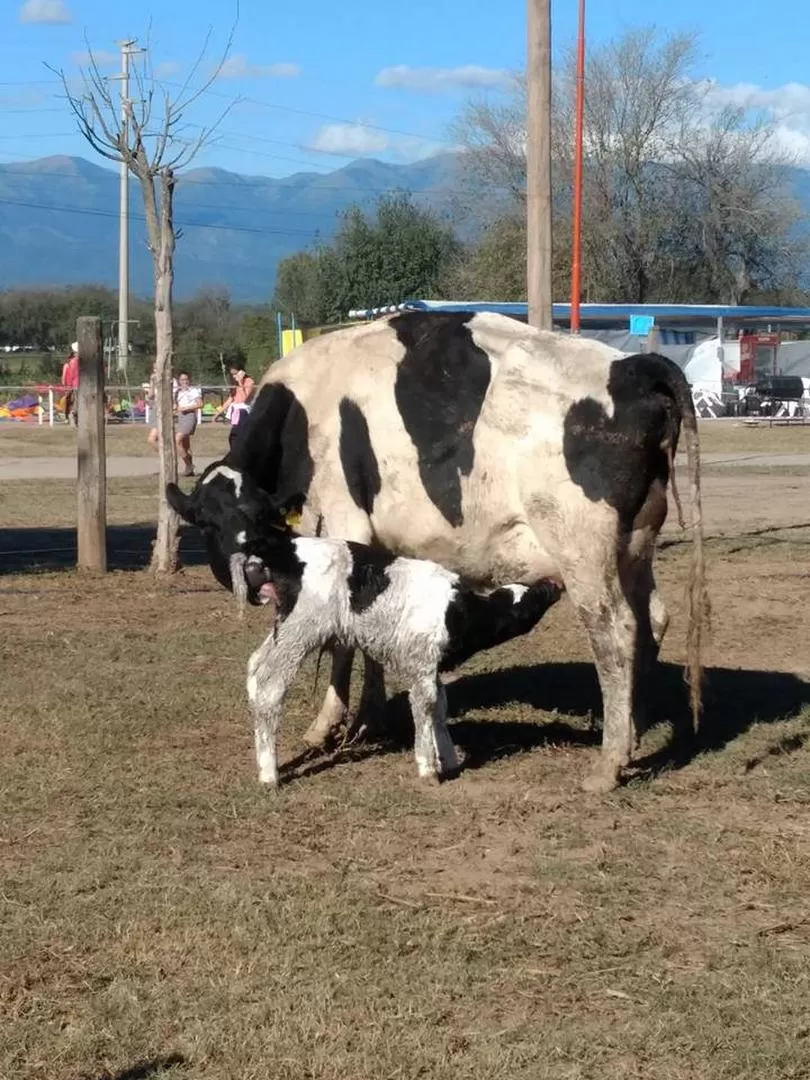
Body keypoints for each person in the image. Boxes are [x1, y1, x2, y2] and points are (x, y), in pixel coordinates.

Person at [214, 365, 256, 449]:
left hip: (244, 411)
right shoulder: (234, 384)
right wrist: (217, 414)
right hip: (235, 412)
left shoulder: (249, 382)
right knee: (234, 438)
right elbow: (230, 399)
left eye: (236, 374)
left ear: (242, 372)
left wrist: (240, 382)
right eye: (232, 374)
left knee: (236, 436)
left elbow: (245, 398)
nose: (234, 376)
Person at [173, 371, 203, 477]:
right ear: (179, 381)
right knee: (185, 445)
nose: (184, 381)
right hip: (181, 417)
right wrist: (175, 409)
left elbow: (200, 404)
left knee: (177, 439)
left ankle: (189, 464)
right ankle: (189, 471)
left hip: (190, 416)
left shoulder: (193, 391)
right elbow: (176, 406)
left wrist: (186, 408)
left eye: (186, 379)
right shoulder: (177, 392)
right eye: (182, 380)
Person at [61, 342, 79, 426]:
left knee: (73, 402)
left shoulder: (71, 362)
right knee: (73, 402)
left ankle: (72, 417)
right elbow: (67, 375)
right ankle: (70, 416)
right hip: (74, 385)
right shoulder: (73, 362)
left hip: (73, 385)